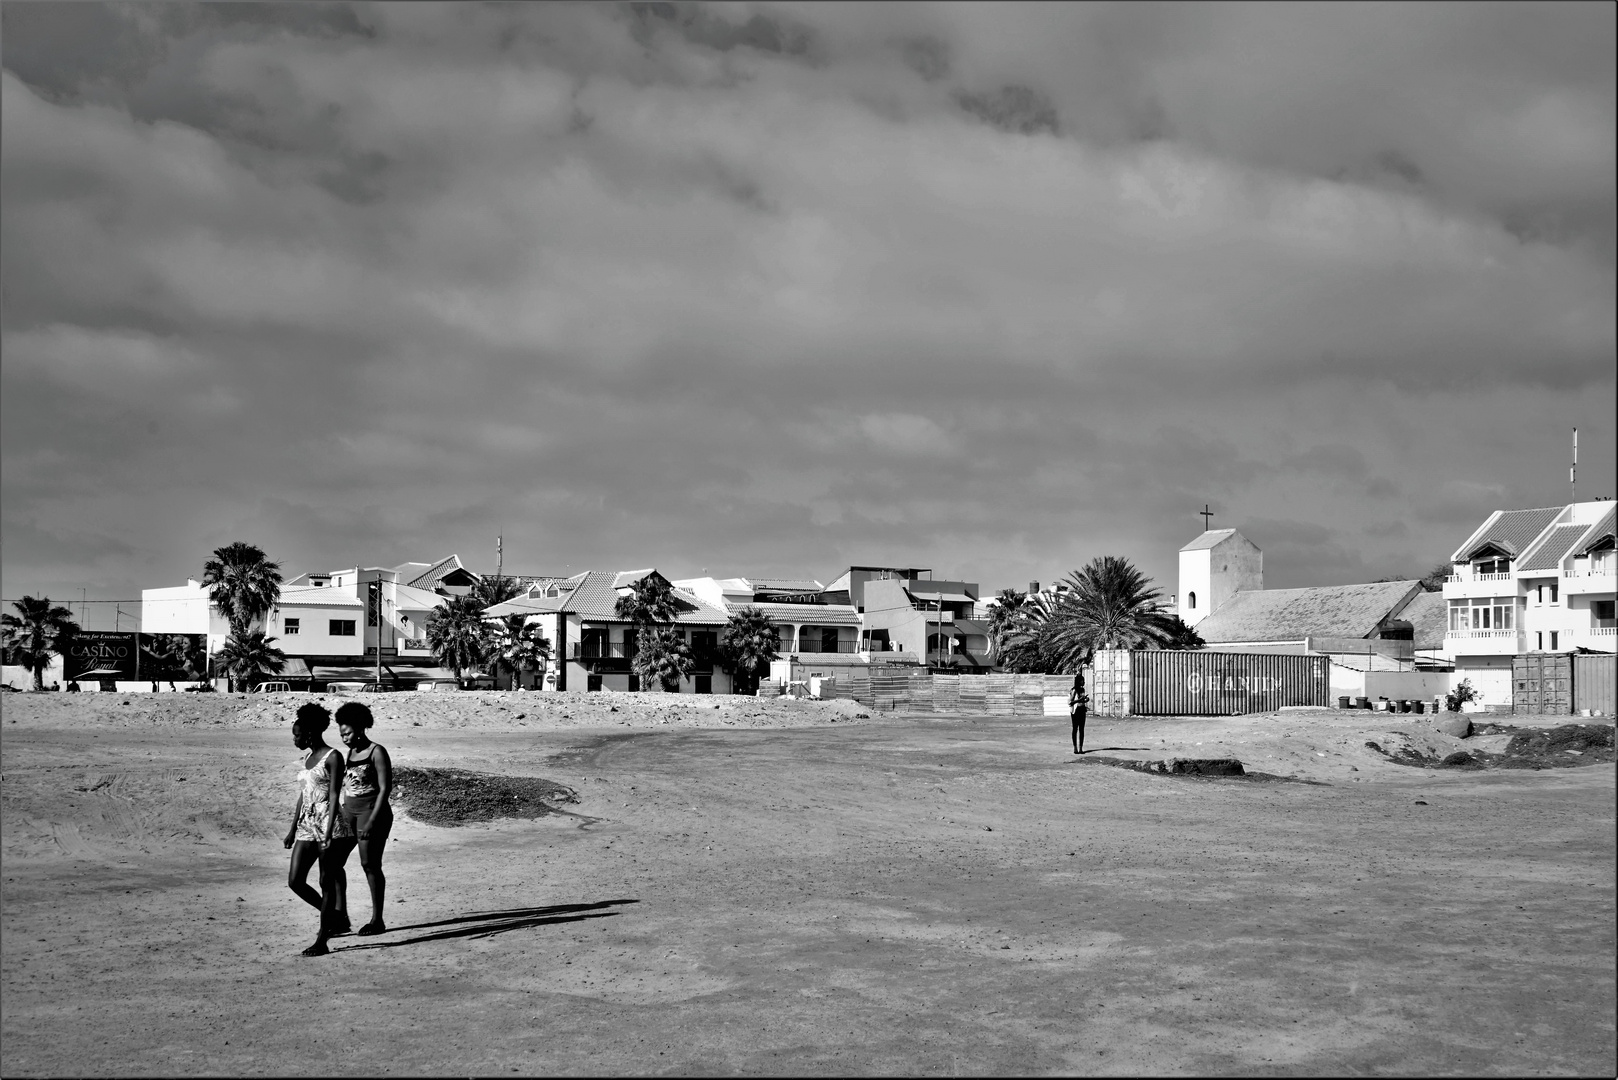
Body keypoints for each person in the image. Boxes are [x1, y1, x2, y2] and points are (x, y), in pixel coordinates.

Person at [283, 702, 352, 956]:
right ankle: (335, 916)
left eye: (297, 735)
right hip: (306, 825)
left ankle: (322, 940)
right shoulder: (308, 757)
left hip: (328, 824)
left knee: (325, 881)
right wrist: (292, 829)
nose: (294, 739)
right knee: (295, 881)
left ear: (310, 733)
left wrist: (328, 832)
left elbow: (334, 795)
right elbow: (304, 795)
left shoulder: (333, 756)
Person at [333, 701, 393, 937]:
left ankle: (377, 920)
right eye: (341, 734)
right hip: (350, 813)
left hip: (372, 813)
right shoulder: (350, 753)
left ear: (359, 729)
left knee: (370, 865)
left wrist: (370, 822)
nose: (344, 738)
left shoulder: (377, 751)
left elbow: (385, 789)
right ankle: (341, 917)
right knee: (334, 862)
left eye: (347, 733)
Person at [1069, 671, 1089, 755]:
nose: (1084, 682)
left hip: (1082, 710)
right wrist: (1080, 700)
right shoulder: (1074, 690)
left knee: (1082, 729)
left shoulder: (1082, 689)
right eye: (1082, 680)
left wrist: (1085, 700)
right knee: (1075, 729)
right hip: (1075, 711)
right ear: (1079, 681)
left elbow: (1082, 700)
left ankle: (1081, 748)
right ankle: (1075, 748)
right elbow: (1070, 702)